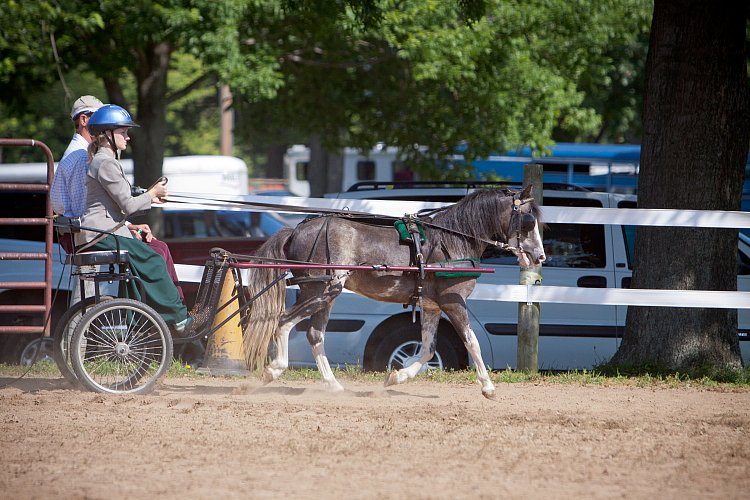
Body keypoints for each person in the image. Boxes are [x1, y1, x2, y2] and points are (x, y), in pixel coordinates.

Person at [76, 104, 204, 335]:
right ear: (107, 134)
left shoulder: (106, 161)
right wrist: (152, 194)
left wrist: (143, 208)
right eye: (123, 132)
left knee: (159, 248)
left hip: (108, 230)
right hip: (99, 234)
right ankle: (179, 318)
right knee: (152, 260)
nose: (127, 136)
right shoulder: (105, 163)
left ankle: (151, 315)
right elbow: (128, 205)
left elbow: (119, 206)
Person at [51, 95, 184, 302]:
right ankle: (171, 313)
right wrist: (108, 224)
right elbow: (89, 205)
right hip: (95, 233)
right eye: (100, 118)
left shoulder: (80, 155)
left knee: (157, 250)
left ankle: (146, 316)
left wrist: (125, 225)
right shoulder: (83, 157)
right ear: (86, 121)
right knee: (85, 298)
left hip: (94, 230)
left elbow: (62, 203)